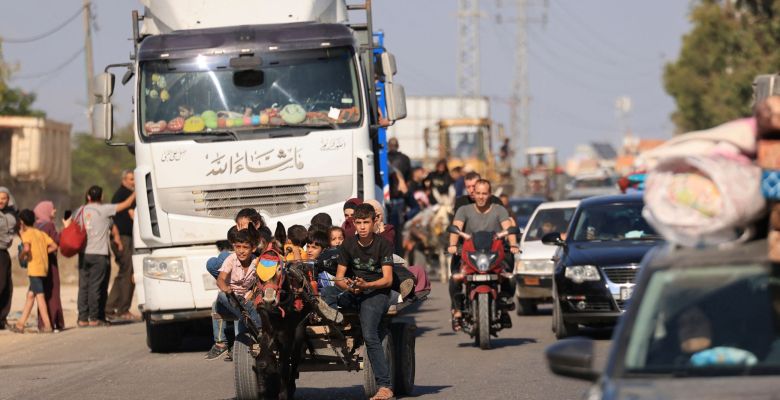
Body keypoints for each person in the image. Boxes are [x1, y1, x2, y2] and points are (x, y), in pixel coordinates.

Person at [321, 203, 395, 400]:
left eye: (366, 222)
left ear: (374, 222)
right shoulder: (348, 245)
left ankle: (385, 386)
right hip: (355, 290)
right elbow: (339, 277)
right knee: (327, 292)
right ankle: (334, 317)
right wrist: (350, 286)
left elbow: (387, 279)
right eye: (359, 223)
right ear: (353, 223)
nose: (362, 227)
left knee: (370, 335)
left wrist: (366, 286)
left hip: (377, 293)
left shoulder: (383, 244)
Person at [447, 179, 519, 331]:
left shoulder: (499, 210)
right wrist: (453, 246)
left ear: (490, 194)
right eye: (478, 193)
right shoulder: (464, 210)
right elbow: (456, 228)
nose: (481, 197)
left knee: (510, 277)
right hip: (470, 254)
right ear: (473, 194)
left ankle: (505, 307)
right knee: (455, 278)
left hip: (493, 253)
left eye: (484, 193)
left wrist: (513, 245)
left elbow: (508, 228)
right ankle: (458, 312)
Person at [76, 185, 136, 327]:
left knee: (84, 286)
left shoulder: (80, 210)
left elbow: (70, 224)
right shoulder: (104, 210)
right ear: (101, 197)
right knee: (96, 287)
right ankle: (94, 318)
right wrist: (136, 191)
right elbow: (126, 205)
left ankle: (82, 318)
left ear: (88, 197)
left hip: (84, 254)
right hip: (99, 255)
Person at [208, 227, 263, 359]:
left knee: (250, 304)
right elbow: (220, 279)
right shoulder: (231, 259)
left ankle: (256, 332)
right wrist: (226, 289)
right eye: (238, 247)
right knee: (221, 296)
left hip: (245, 300)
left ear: (253, 249)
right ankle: (258, 329)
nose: (241, 251)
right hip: (230, 297)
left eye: (245, 247)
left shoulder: (257, 262)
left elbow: (261, 282)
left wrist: (253, 293)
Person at [9, 209, 58, 333]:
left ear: (22, 222)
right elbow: (54, 246)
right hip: (43, 268)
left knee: (40, 297)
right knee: (31, 295)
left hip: (34, 269)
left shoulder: (27, 234)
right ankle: (20, 324)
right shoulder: (40, 233)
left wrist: (21, 256)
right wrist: (42, 254)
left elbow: (26, 248)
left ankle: (47, 325)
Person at [106, 170, 137, 321]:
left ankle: (112, 307)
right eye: (131, 179)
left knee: (126, 273)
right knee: (126, 273)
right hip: (122, 239)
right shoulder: (123, 194)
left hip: (128, 238)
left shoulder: (127, 194)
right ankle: (121, 309)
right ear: (124, 180)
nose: (134, 182)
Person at [33, 201, 65, 331]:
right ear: (46, 210)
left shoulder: (35, 225)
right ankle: (54, 322)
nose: (55, 210)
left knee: (42, 293)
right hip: (50, 264)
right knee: (53, 291)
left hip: (37, 264)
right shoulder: (50, 225)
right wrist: (66, 229)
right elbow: (57, 241)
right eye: (52, 209)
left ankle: (43, 323)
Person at [0, 187, 17, 329]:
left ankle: (2, 319)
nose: (1, 200)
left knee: (6, 287)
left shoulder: (11, 214)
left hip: (4, 254)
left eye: (4, 198)